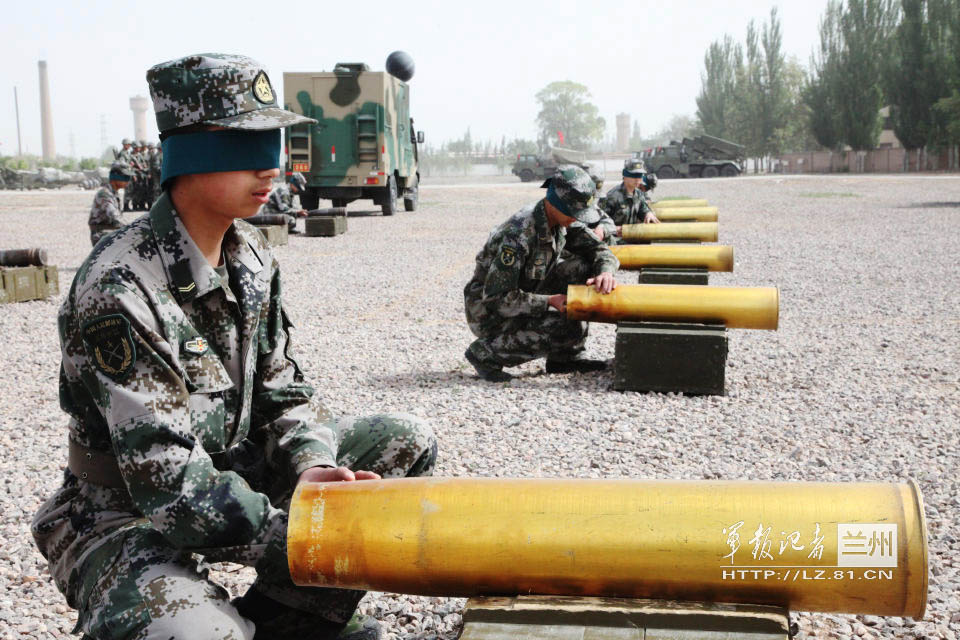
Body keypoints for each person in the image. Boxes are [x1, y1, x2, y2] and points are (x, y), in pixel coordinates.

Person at [32, 53, 437, 640]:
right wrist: (303, 542)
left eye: (272, 140)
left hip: (226, 472)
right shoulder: (119, 286)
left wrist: (312, 464)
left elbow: (284, 390)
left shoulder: (250, 255)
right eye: (247, 143)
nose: (271, 164)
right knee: (202, 634)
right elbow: (167, 479)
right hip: (124, 511)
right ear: (191, 154)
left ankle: (288, 622)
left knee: (404, 443)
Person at [463, 165, 620, 382]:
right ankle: (486, 353)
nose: (577, 219)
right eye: (574, 212)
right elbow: (497, 298)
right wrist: (548, 302)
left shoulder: (562, 220)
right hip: (489, 312)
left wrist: (605, 272)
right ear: (557, 203)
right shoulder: (518, 235)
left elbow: (600, 250)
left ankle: (565, 357)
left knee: (584, 265)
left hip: (527, 290)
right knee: (561, 325)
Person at [602, 158, 659, 244]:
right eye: (634, 175)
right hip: (616, 243)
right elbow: (600, 223)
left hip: (633, 239)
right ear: (625, 176)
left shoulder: (639, 194)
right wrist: (613, 229)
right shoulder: (612, 196)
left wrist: (648, 213)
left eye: (640, 175)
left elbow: (643, 209)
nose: (637, 179)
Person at [88, 161, 132, 246]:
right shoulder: (104, 194)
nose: (128, 181)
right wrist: (134, 229)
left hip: (110, 230)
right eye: (125, 177)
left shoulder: (114, 193)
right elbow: (115, 217)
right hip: (100, 234)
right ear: (115, 177)